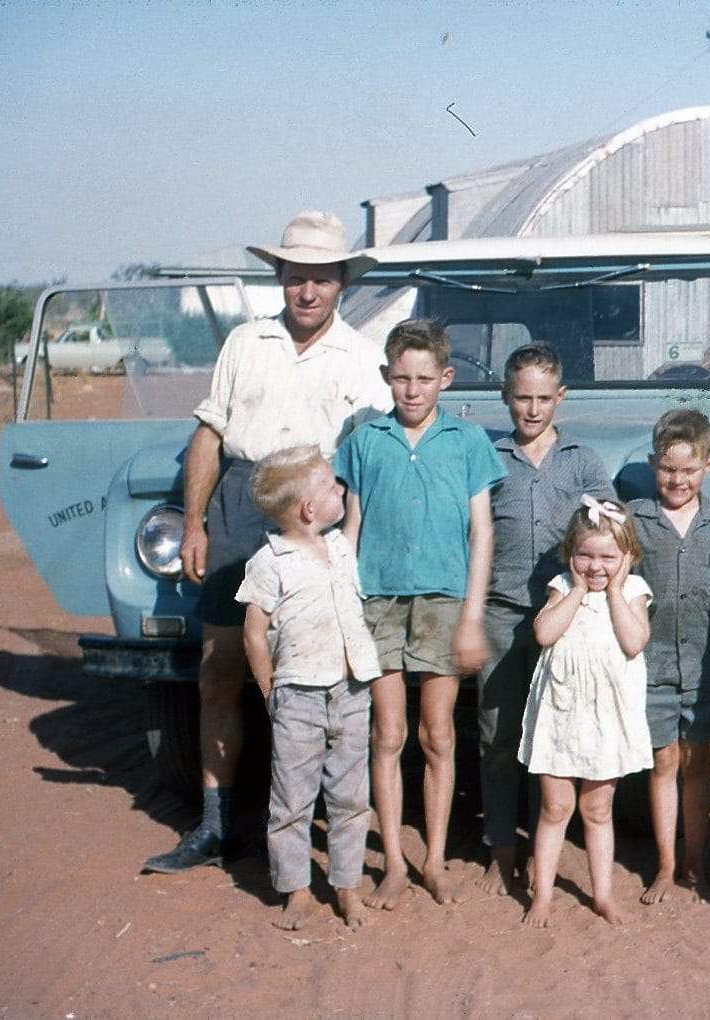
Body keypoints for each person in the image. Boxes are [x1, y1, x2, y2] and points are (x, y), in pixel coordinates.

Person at [144, 212, 389, 874]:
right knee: (220, 669)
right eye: (295, 277)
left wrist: (349, 539)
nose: (306, 291)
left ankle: (316, 834)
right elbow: (210, 435)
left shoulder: (366, 359)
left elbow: (367, 462)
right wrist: (195, 521)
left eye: (321, 279)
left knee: (322, 676)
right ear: (279, 278)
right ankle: (216, 825)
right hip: (238, 506)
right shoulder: (245, 344)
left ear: (342, 283)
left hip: (317, 511)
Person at [333, 318, 505, 909]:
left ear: (445, 378)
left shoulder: (467, 442)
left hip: (443, 601)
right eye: (401, 378)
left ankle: (433, 859)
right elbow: (351, 528)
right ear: (386, 376)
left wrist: (471, 617)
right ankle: (395, 866)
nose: (412, 390)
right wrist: (343, 606)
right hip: (377, 600)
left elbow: (481, 534)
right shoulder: (363, 442)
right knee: (388, 734)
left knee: (436, 735)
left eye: (424, 378)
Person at [476, 343, 615, 895]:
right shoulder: (489, 459)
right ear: (505, 397)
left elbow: (611, 532)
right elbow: (472, 533)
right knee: (497, 734)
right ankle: (499, 850)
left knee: (551, 739)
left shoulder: (582, 460)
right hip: (501, 612)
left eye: (542, 398)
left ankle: (542, 851)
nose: (532, 410)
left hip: (564, 617)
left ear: (560, 397)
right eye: (521, 399)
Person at [236, 446, 382, 931]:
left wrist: (358, 482)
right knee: (293, 799)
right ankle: (296, 890)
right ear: (307, 509)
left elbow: (354, 517)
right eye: (331, 486)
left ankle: (347, 887)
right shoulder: (269, 562)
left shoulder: (340, 547)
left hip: (352, 689)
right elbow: (254, 633)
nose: (340, 489)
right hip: (297, 695)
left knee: (350, 797)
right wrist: (269, 690)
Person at [629, 408, 710, 904]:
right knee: (661, 766)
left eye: (689, 470)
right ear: (653, 462)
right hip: (651, 667)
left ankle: (695, 862)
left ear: (708, 466)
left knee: (696, 766)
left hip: (706, 667)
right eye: (667, 468)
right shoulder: (634, 520)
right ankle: (665, 865)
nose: (677, 480)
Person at [518, 497, 652, 926]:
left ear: (627, 556)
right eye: (585, 556)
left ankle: (603, 894)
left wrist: (614, 590)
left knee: (597, 810)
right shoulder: (562, 587)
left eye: (608, 558)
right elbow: (544, 633)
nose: (596, 567)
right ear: (570, 556)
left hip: (605, 717)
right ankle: (542, 896)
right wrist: (576, 590)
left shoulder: (632, 592)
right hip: (561, 711)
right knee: (555, 808)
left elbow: (634, 642)